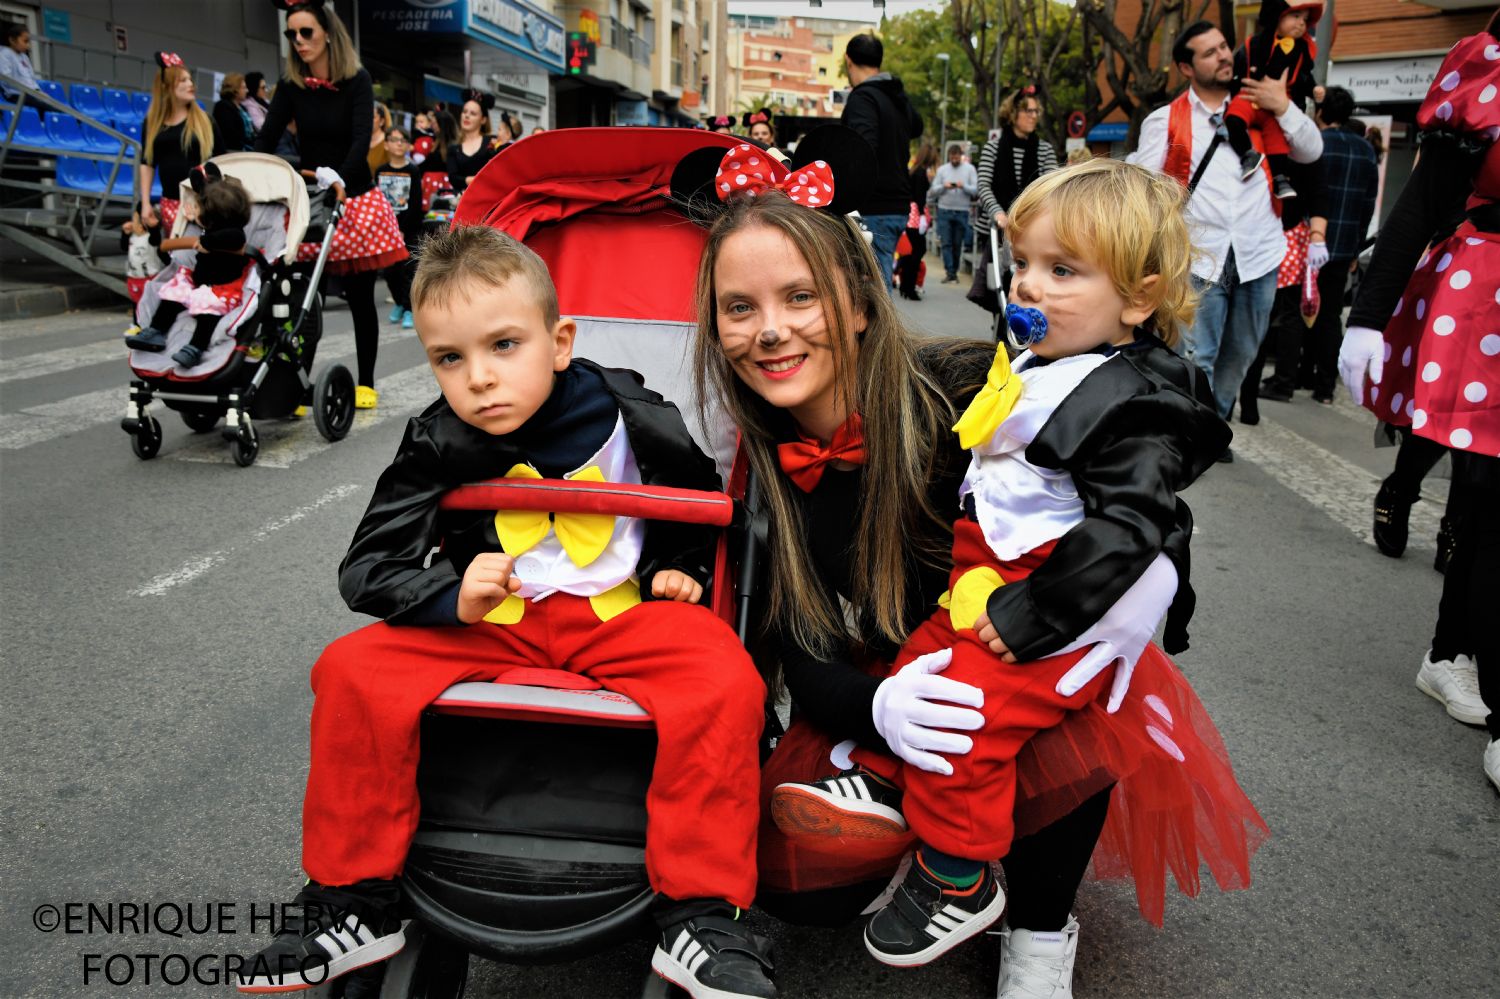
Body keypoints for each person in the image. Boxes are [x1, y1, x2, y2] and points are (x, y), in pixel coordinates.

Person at [691, 152, 1265, 999]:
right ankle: (912, 816)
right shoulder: (756, 470)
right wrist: (881, 710)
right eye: (739, 308)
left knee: (1088, 700)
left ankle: (1036, 929)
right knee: (804, 890)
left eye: (799, 296)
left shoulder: (971, 389)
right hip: (901, 670)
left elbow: (1139, 486)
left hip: (1023, 642)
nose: (769, 330)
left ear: (856, 302)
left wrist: (1136, 590)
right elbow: (794, 646)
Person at [235, 225, 775, 999]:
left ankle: (700, 909)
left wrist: (679, 570)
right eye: (450, 359)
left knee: (725, 678)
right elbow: (367, 566)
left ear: (559, 342)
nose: (479, 379)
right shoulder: (439, 437)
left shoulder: (628, 406)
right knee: (350, 669)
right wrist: (448, 592)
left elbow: (699, 500)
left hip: (620, 615)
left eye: (503, 346)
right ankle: (355, 896)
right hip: (492, 622)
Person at [1337, 19, 1500, 790]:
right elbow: (1421, 203)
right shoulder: (1484, 74)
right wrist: (1366, 319)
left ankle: (1452, 649)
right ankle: (1456, 656)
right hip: (1484, 309)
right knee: (1485, 489)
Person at [1130, 20, 1323, 457]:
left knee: (1244, 351)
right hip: (1200, 254)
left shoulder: (1262, 102)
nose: (1223, 56)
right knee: (1198, 354)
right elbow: (1144, 189)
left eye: (1223, 47)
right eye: (1209, 52)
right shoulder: (1166, 120)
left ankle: (1212, 418)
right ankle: (1195, 434)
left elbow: (1311, 150)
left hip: (1259, 251)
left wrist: (1284, 106)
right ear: (1186, 67)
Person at [256, 0, 409, 411]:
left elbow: (362, 138)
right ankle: (298, 383)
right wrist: (252, 172)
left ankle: (366, 381)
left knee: (360, 298)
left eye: (306, 32)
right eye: (292, 34)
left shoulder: (357, 80)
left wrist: (339, 175)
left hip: (352, 197)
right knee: (305, 298)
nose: (299, 41)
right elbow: (267, 137)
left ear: (327, 34)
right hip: (311, 201)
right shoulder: (291, 86)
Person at [1257, 85, 1377, 406]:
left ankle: (1288, 377)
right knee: (1329, 315)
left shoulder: (1316, 145)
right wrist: (1355, 247)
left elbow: (1306, 195)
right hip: (1344, 244)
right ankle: (1324, 385)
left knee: (1297, 311)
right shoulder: (1366, 151)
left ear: (1321, 112)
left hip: (1307, 241)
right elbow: (1368, 203)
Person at [123, 165, 252, 368]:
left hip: (221, 288)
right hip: (198, 280)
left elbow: (232, 238)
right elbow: (168, 248)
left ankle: (196, 347)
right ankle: (156, 330)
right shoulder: (208, 230)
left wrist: (207, 242)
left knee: (208, 312)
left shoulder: (235, 233)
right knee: (174, 293)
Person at [1235, 152, 1327, 425]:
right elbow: (1317, 199)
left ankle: (1231, 405)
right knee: (1284, 319)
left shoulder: (1261, 151)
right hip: (1294, 243)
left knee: (1250, 326)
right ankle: (1255, 400)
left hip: (1257, 245)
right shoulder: (1306, 156)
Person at [840, 32, 923, 288]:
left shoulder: (863, 98)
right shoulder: (895, 96)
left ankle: (884, 330)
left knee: (875, 287)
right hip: (897, 204)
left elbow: (863, 148)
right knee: (877, 277)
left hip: (874, 206)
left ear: (848, 60)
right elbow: (917, 126)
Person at [1224, 1, 1326, 200]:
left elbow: (1305, 77)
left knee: (1278, 142)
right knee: (1233, 120)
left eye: (1305, 20)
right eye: (1296, 17)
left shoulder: (1301, 51)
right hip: (1248, 96)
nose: (1301, 24)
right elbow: (1238, 68)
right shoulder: (1253, 43)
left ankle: (1280, 178)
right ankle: (1248, 155)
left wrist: (1314, 90)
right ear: (1278, 16)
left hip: (1277, 108)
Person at [974, 87, 1059, 306]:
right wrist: (998, 213)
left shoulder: (1044, 150)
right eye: (1027, 111)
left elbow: (1050, 188)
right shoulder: (993, 148)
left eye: (1036, 111)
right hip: (1000, 229)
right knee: (1000, 289)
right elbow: (983, 185)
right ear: (1013, 114)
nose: (1033, 116)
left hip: (1033, 229)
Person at [138, 52, 223, 234]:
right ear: (166, 87)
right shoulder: (152, 123)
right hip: (171, 203)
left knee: (200, 258)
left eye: (190, 80)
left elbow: (222, 161)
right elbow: (147, 163)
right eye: (183, 80)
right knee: (178, 258)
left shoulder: (206, 121)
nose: (190, 84)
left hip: (205, 204)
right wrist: (145, 203)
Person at [374, 125, 421, 329]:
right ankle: (400, 303)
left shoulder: (413, 170)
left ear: (408, 145)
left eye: (403, 140)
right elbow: (378, 203)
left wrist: (402, 227)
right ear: (386, 144)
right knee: (390, 271)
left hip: (408, 228)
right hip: (386, 229)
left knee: (409, 269)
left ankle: (409, 307)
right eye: (394, 139)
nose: (399, 143)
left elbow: (416, 202)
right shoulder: (380, 171)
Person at [928, 142, 977, 284]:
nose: (954, 160)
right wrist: (944, 186)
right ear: (949, 157)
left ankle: (954, 271)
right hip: (944, 210)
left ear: (961, 157)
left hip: (962, 211)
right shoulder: (943, 170)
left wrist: (964, 186)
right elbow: (933, 190)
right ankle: (950, 272)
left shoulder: (970, 169)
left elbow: (976, 190)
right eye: (952, 158)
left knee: (957, 243)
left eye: (957, 158)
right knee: (946, 242)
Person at [446, 91, 495, 193]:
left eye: (473, 113)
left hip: (487, 200)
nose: (467, 116)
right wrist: (475, 180)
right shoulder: (453, 149)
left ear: (483, 120)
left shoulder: (492, 142)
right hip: (461, 201)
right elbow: (453, 178)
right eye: (464, 112)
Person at [213, 73, 255, 152]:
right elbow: (230, 136)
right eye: (244, 88)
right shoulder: (222, 107)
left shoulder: (243, 108)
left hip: (248, 149)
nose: (247, 90)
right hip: (233, 151)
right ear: (235, 90)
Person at [0, 21, 38, 98]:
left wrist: (38, 91)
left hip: (30, 95)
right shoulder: (5, 54)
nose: (28, 46)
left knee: (53, 105)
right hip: (16, 95)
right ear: (12, 40)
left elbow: (32, 78)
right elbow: (6, 80)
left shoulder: (25, 57)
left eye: (29, 42)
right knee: (51, 106)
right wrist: (29, 89)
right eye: (25, 41)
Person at [367, 100, 390, 175]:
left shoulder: (389, 142)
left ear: (382, 121)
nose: (368, 119)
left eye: (373, 117)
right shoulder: (357, 140)